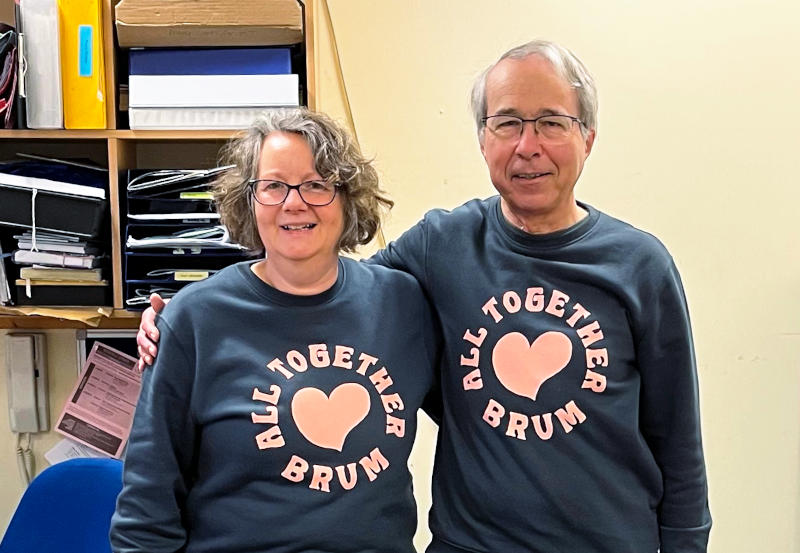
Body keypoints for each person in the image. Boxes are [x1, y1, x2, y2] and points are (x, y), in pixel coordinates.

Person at [137, 40, 711, 553]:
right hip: (471, 544)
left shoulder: (640, 265)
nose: (528, 145)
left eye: (551, 123)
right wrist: (180, 320)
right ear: (483, 139)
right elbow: (321, 288)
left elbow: (678, 437)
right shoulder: (442, 246)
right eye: (507, 123)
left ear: (587, 135)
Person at [111, 108, 440, 553]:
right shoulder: (196, 320)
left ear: (346, 198)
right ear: (249, 201)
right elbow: (146, 510)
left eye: (316, 184)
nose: (294, 202)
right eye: (273, 186)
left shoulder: (404, 306)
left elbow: (476, 416)